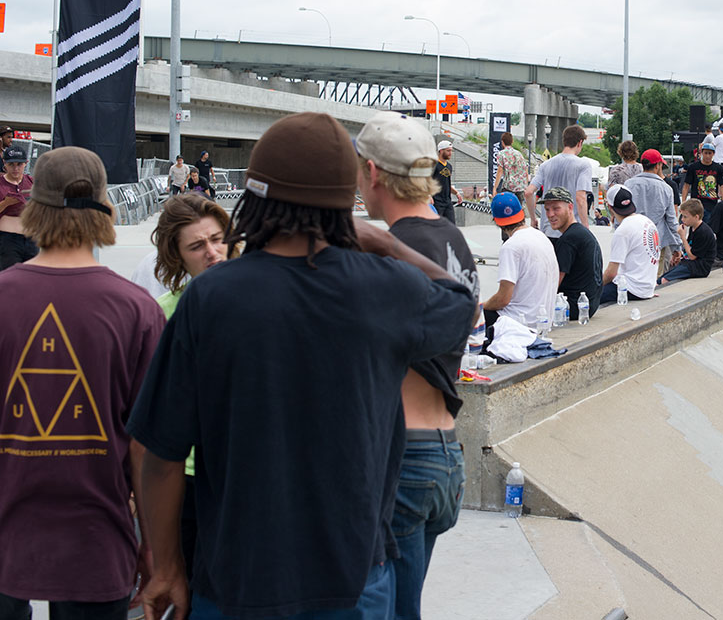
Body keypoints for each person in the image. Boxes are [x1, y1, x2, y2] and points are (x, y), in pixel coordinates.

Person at [129, 112, 477, 620]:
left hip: (235, 581)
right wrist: (383, 242)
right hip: (353, 581)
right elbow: (462, 305)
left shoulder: (211, 296)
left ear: (253, 196)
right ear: (346, 198)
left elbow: (158, 453)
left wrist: (166, 567)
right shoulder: (385, 288)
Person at [0, 146, 165, 620]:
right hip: (97, 534)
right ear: (107, 207)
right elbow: (146, 448)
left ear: (34, 207)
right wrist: (153, 545)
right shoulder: (136, 309)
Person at [353, 111, 480, 617]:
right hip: (445, 452)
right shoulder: (453, 238)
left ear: (374, 173)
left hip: (404, 457)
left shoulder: (395, 249)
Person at [149, 193, 235, 580]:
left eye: (218, 239)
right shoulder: (165, 313)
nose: (213, 252)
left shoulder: (259, 301)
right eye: (197, 246)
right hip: (185, 478)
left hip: (241, 473)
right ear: (176, 256)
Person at [483, 192, 558, 330]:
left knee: (471, 315)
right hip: (544, 321)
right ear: (521, 212)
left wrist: (482, 306)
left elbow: (503, 299)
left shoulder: (510, 247)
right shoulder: (541, 237)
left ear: (496, 221)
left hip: (519, 322)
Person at [541, 186, 602, 320]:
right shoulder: (581, 232)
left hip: (573, 307)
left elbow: (553, 283)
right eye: (547, 210)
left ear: (570, 207)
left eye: (556, 208)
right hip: (590, 304)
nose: (550, 214)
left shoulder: (568, 239)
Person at [525, 124, 591, 238]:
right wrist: (585, 227)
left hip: (548, 230)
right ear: (580, 143)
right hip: (572, 231)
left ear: (564, 141)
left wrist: (533, 218)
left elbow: (528, 192)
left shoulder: (545, 165)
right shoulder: (583, 165)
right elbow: (580, 198)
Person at [624, 149, 682, 277]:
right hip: (656, 240)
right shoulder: (666, 188)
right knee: (654, 277)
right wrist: (677, 247)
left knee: (634, 275)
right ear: (657, 166)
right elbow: (672, 221)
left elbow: (622, 215)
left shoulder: (629, 184)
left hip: (634, 239)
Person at [598, 185, 658, 305]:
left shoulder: (623, 230)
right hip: (647, 287)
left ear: (609, 207)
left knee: (585, 297)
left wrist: (595, 287)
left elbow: (611, 273)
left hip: (631, 289)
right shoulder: (647, 221)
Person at [659, 198, 717, 285]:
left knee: (665, 279)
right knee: (665, 275)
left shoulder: (703, 232)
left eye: (685, 217)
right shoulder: (693, 228)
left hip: (700, 267)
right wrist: (681, 256)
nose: (682, 219)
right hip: (691, 263)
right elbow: (690, 248)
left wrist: (682, 237)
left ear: (696, 217)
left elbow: (693, 256)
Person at [0, 146, 37, 271]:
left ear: (25, 164)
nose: (15, 168)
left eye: (19, 164)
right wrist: (6, 203)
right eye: (11, 164)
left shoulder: (32, 182)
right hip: (7, 239)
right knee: (9, 278)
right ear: (4, 163)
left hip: (31, 238)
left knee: (32, 277)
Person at [681, 142, 723, 223]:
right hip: (696, 204)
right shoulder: (693, 167)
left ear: (713, 154)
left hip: (711, 204)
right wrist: (683, 202)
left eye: (710, 153)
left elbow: (722, 186)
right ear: (701, 153)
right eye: (705, 153)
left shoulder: (718, 168)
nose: (707, 156)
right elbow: (686, 185)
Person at [433, 140, 463, 223]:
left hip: (447, 202)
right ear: (441, 151)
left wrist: (456, 193)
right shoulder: (433, 165)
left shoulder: (449, 166)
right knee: (437, 227)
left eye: (451, 151)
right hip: (436, 202)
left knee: (451, 226)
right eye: (448, 151)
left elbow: (446, 183)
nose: (450, 153)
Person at [493, 131, 530, 197]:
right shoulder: (519, 154)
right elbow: (526, 171)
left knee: (507, 206)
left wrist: (495, 188)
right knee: (518, 206)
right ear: (512, 141)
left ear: (502, 142)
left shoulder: (501, 154)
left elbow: (500, 171)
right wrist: (526, 186)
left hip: (508, 187)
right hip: (520, 188)